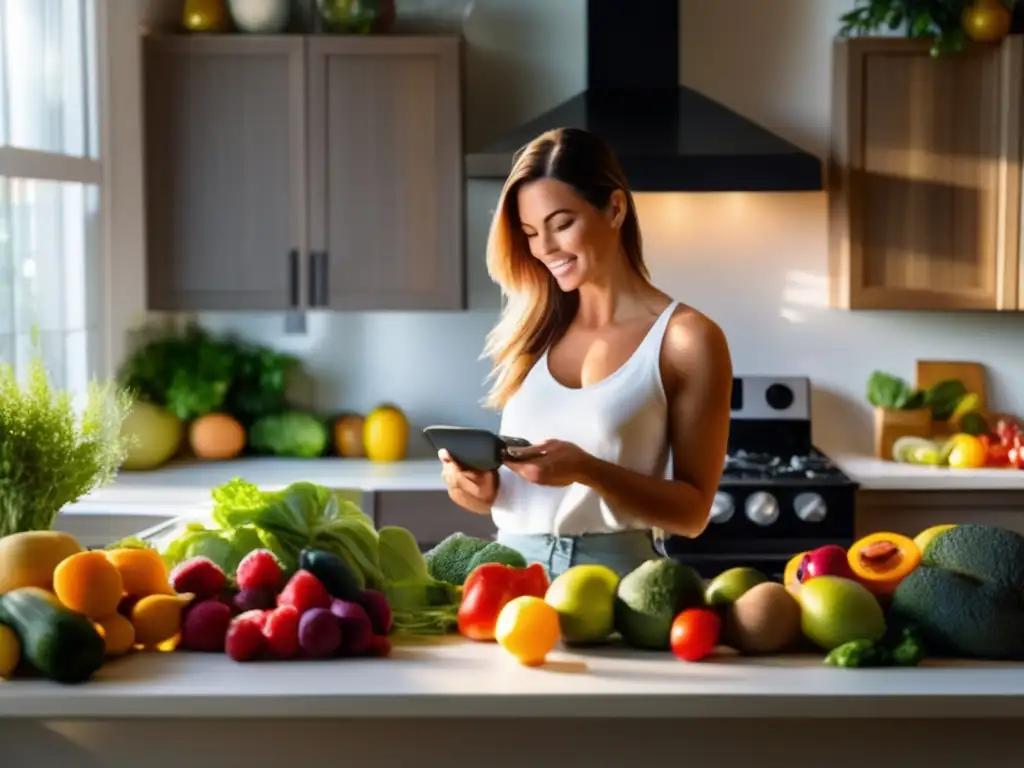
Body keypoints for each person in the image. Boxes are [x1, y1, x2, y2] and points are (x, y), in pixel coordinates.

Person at [439, 127, 733, 578]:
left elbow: (692, 515)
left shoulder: (684, 339)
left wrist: (587, 469)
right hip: (510, 576)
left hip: (617, 583)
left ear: (615, 209)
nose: (545, 249)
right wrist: (478, 490)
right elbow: (507, 500)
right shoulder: (530, 331)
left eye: (561, 224)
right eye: (531, 232)